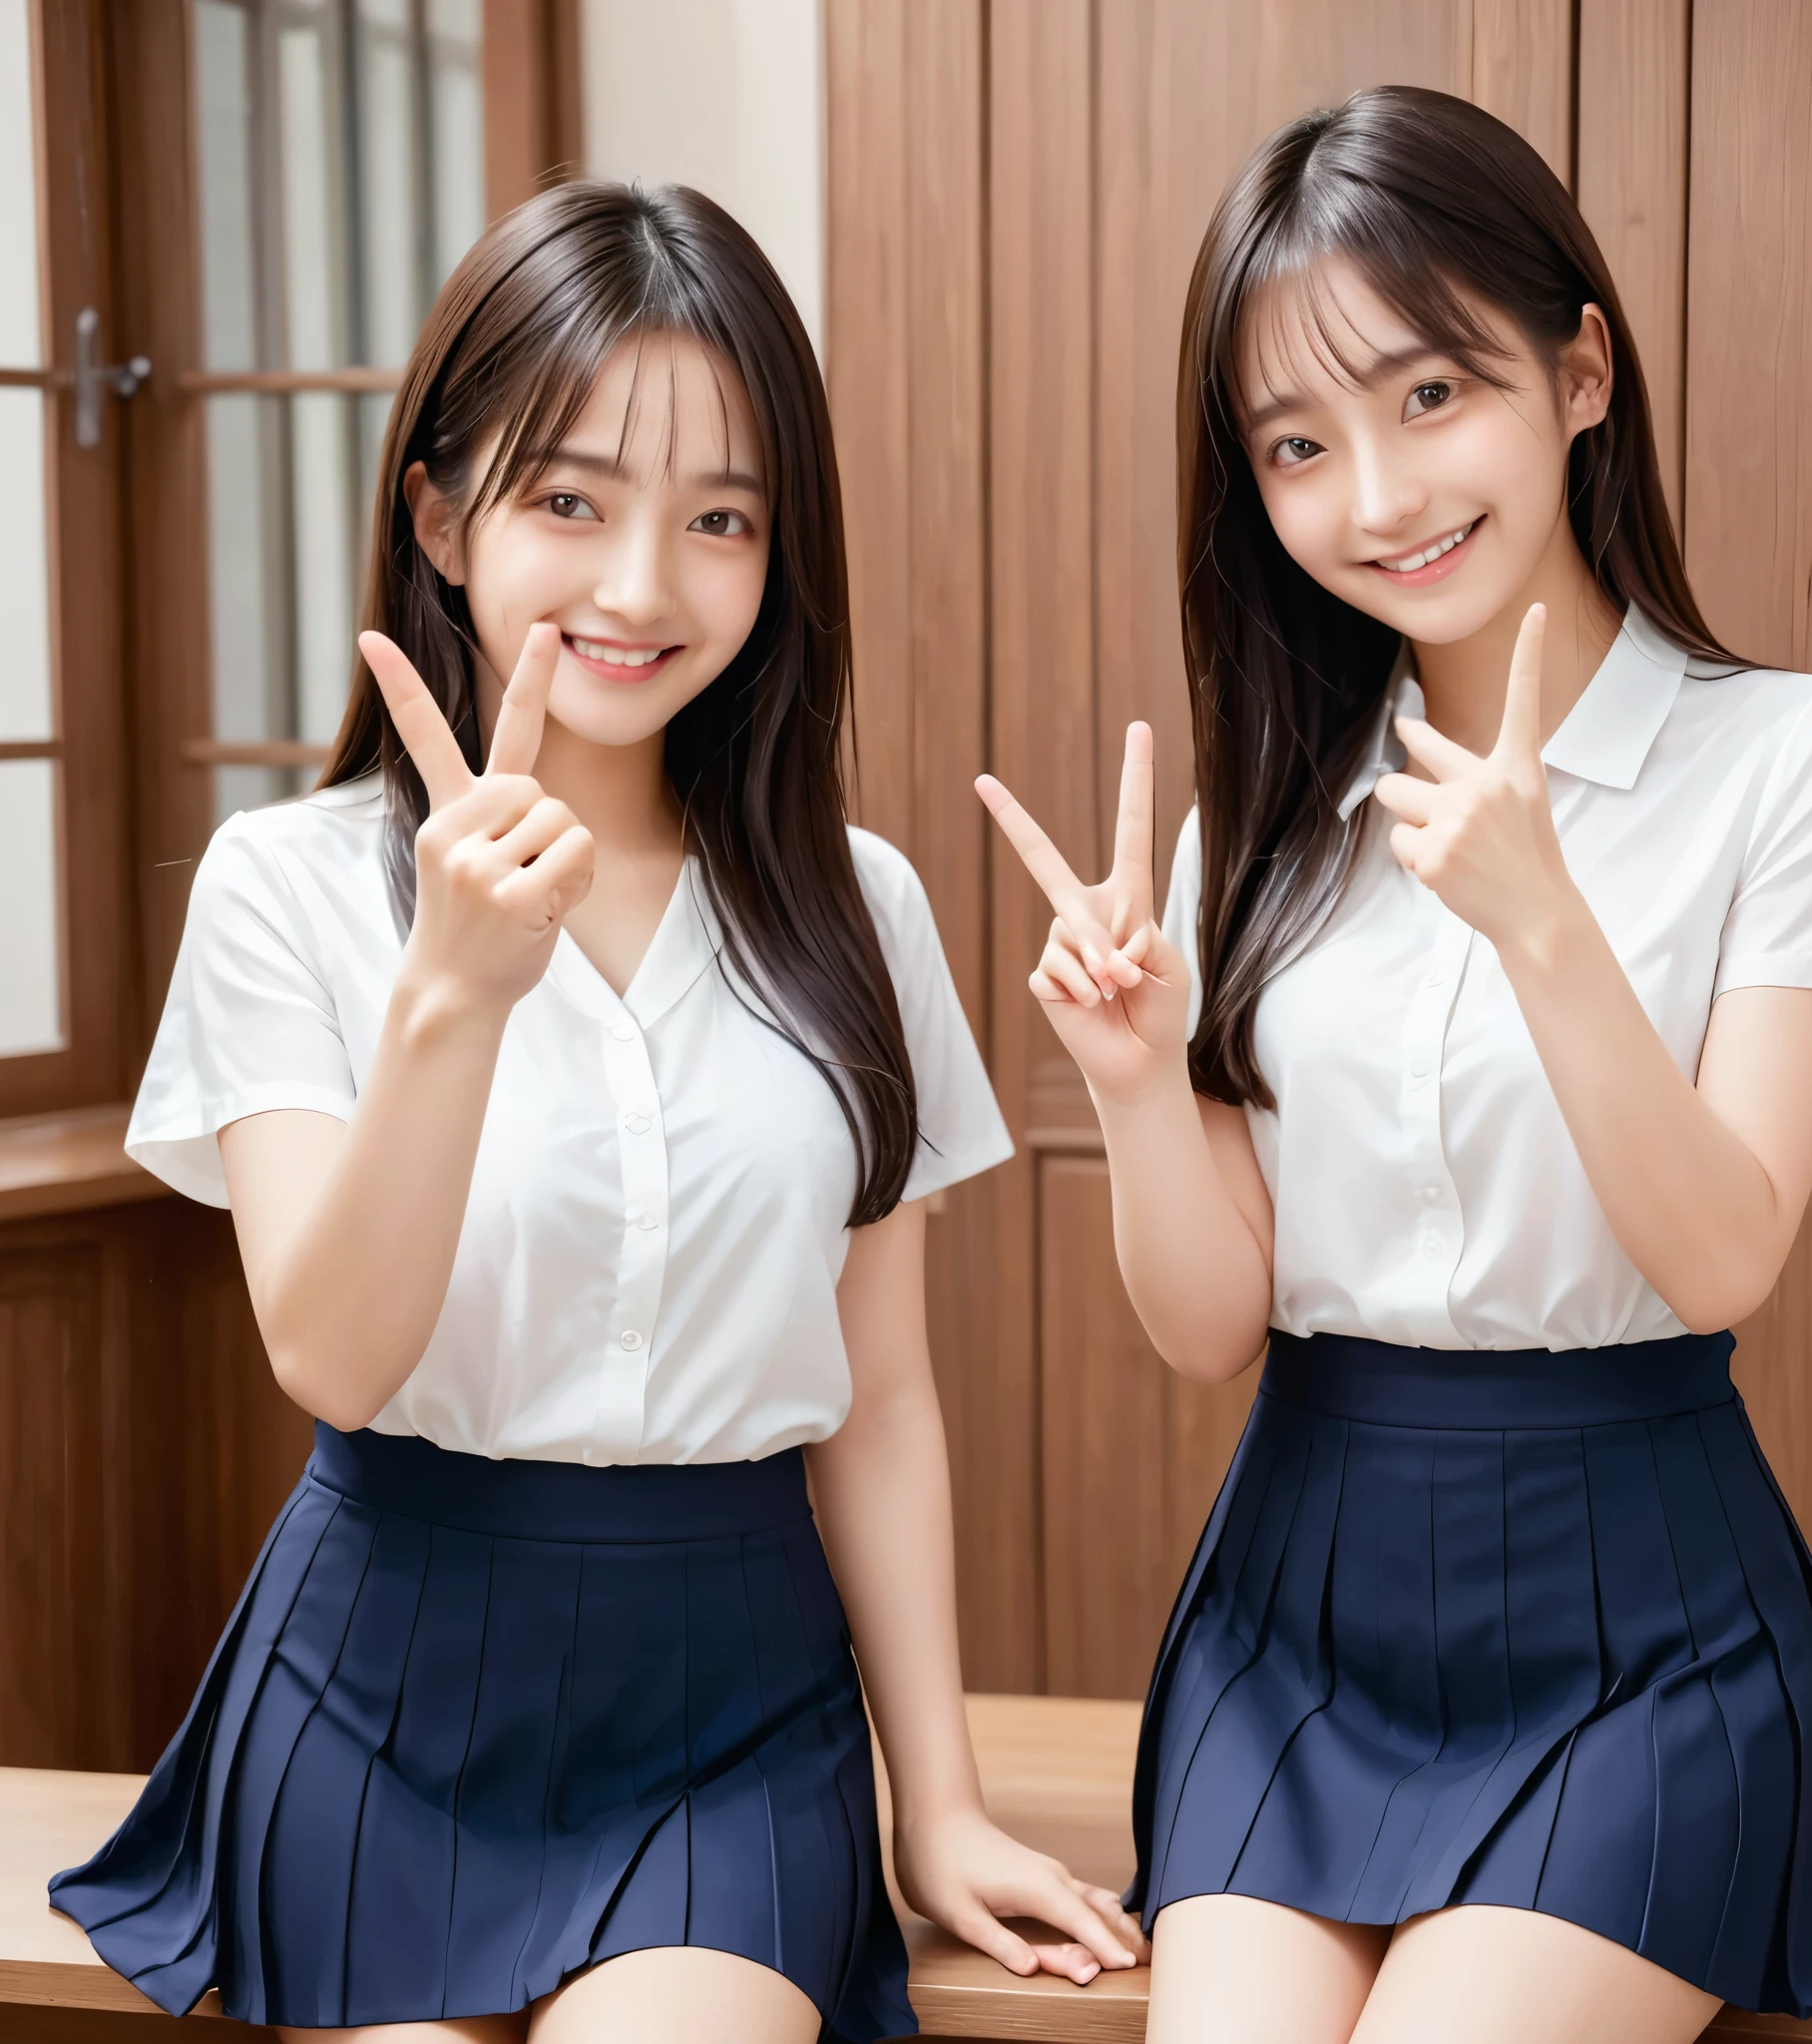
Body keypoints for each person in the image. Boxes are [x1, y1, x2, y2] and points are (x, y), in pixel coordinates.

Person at [51, 181, 1142, 2043]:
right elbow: (329, 1349)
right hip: (381, 1694)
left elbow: (879, 1403)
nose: (643, 587)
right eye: (570, 502)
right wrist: (454, 999)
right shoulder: (288, 889)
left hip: (730, 1714)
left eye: (720, 519)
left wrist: (937, 1799)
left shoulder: (854, 904)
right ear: (439, 511)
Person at [977, 87, 1812, 2044]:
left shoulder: (1788, 759)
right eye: (1296, 442)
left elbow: (1719, 1258)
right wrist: (1126, 1076)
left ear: (1579, 370)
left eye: (1429, 393)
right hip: (1300, 1622)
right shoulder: (1266, 821)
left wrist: (1544, 921)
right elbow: (1213, 1329)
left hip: (1647, 1637)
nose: (1373, 493)